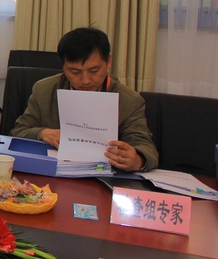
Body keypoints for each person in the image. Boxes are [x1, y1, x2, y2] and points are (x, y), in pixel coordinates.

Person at [10, 27, 159, 172]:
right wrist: (42, 133)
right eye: (75, 72)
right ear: (63, 66)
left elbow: (146, 148)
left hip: (104, 176)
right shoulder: (44, 90)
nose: (85, 80)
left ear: (108, 61)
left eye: (94, 71)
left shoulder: (129, 100)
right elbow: (18, 132)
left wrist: (137, 160)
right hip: (54, 172)